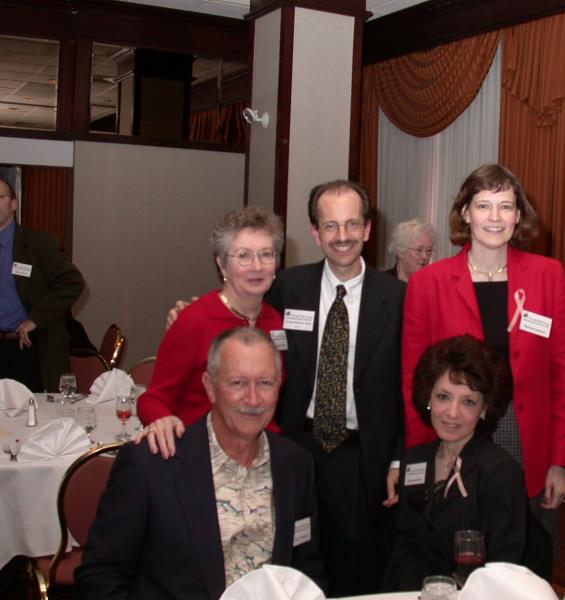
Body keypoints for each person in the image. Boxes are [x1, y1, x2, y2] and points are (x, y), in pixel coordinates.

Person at [76, 327, 326, 599]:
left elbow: (306, 567)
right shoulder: (153, 464)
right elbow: (99, 577)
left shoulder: (296, 465)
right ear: (210, 387)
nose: (253, 399)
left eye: (265, 382)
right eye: (237, 383)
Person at [400, 164, 565, 546]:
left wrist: (559, 461)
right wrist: (418, 458)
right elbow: (414, 382)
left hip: (525, 437)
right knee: (454, 546)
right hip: (452, 432)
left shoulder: (548, 275)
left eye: (506, 206)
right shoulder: (428, 283)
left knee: (525, 553)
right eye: (483, 206)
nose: (495, 218)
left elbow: (562, 376)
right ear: (465, 213)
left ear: (518, 215)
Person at [267, 180, 405, 595]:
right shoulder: (286, 287)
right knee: (293, 563)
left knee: (357, 571)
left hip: (363, 457)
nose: (341, 237)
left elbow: (409, 386)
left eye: (351, 225)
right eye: (330, 226)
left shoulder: (398, 298)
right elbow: (241, 320)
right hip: (296, 448)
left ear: (367, 229)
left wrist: (399, 460)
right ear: (315, 232)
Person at [388, 335, 552, 590]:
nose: (452, 413)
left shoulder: (500, 471)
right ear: (428, 399)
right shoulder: (414, 462)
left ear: (484, 409)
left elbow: (502, 568)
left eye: (468, 401)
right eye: (443, 396)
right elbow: (405, 551)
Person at [137, 206, 284, 457]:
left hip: (261, 456)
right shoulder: (193, 320)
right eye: (243, 256)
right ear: (222, 265)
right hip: (201, 457)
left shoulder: (276, 321)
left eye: (266, 254)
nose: (257, 266)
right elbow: (153, 399)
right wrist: (161, 421)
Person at [0, 178, 84, 392]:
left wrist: (34, 319)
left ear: (13, 204)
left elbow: (72, 282)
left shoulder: (38, 243)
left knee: (27, 418)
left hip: (25, 347)